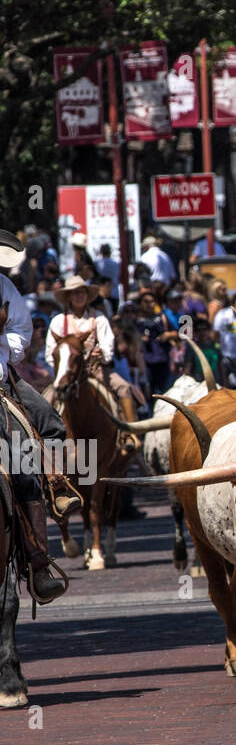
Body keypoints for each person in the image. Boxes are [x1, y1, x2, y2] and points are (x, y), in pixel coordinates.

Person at [0, 232, 80, 601]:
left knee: (48, 420)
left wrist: (1, 342)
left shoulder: (3, 287)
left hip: (1, 379)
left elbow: (22, 335)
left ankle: (39, 559)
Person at [45, 275, 139, 422]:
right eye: (75, 292)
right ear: (69, 296)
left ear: (87, 295)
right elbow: (50, 352)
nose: (79, 296)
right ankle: (42, 438)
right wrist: (63, 369)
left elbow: (108, 345)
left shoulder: (99, 318)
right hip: (66, 375)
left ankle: (132, 435)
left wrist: (102, 353)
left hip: (96, 370)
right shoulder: (58, 322)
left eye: (82, 292)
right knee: (46, 400)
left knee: (123, 388)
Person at [133, 286, 179, 398]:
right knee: (149, 394)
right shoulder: (136, 322)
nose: (150, 304)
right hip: (146, 363)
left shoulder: (162, 318)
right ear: (140, 304)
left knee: (166, 393)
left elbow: (179, 334)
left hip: (163, 361)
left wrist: (167, 335)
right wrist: (139, 340)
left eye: (152, 301)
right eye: (146, 302)